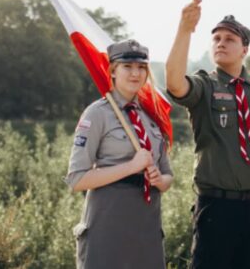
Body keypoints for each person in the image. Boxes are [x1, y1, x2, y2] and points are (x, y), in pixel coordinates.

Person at [165, 0, 250, 269]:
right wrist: (184, 29)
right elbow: (173, 82)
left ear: (245, 49)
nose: (220, 43)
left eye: (229, 38)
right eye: (216, 38)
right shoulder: (204, 85)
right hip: (216, 208)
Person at [65, 39, 173, 269]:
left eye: (141, 67)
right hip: (108, 223)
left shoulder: (152, 117)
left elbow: (168, 177)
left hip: (147, 226)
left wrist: (159, 180)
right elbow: (77, 180)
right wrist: (131, 167)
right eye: (127, 67)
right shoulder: (97, 114)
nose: (135, 73)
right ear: (112, 71)